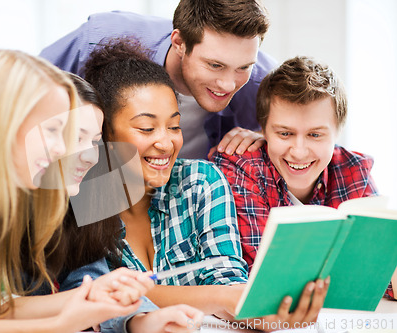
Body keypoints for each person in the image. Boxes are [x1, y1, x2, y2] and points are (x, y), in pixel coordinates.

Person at [0, 49, 168, 333]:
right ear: (3, 121)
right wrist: (64, 324)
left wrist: (88, 295)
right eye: (53, 131)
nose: (61, 149)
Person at [83, 38, 329, 331]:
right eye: (147, 128)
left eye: (174, 126)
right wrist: (224, 298)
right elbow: (96, 296)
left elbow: (226, 278)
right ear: (103, 132)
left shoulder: (201, 182)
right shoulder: (83, 203)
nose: (166, 142)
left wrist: (254, 312)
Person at [22, 72, 204, 333]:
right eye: (72, 136)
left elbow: (87, 280)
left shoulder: (69, 205)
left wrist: (142, 321)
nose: (88, 155)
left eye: (94, 142)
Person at [40, 0, 277, 160]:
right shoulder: (101, 39)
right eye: (215, 65)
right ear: (179, 43)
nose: (228, 84)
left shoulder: (263, 80)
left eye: (243, 67)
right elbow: (22, 96)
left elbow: (307, 132)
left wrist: (271, 136)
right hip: (95, 183)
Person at [211, 56, 379, 270]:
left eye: (315, 135)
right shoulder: (244, 168)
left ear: (338, 132)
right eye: (285, 133)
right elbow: (266, 272)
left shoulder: (354, 170)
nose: (299, 152)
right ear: (262, 130)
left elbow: (384, 268)